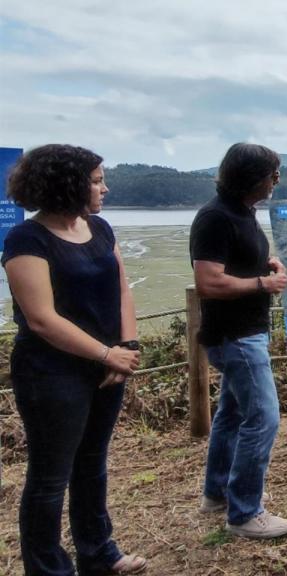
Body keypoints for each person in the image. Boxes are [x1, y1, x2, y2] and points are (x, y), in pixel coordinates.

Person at [3, 144, 146, 575]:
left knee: (92, 464)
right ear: (69, 184)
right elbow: (42, 319)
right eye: (98, 180)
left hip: (107, 365)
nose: (105, 187)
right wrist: (108, 354)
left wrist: (128, 348)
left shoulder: (100, 229)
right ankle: (49, 569)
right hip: (51, 373)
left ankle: (98, 552)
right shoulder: (25, 239)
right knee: (50, 478)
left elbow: (122, 290)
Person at [191, 143, 287, 539]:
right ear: (250, 177)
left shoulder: (240, 213)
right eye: (272, 174)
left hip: (245, 332)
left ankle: (217, 494)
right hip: (236, 337)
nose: (276, 181)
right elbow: (208, 281)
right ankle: (245, 513)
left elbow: (236, 263)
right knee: (264, 418)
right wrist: (262, 283)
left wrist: (268, 266)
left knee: (232, 415)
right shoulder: (215, 218)